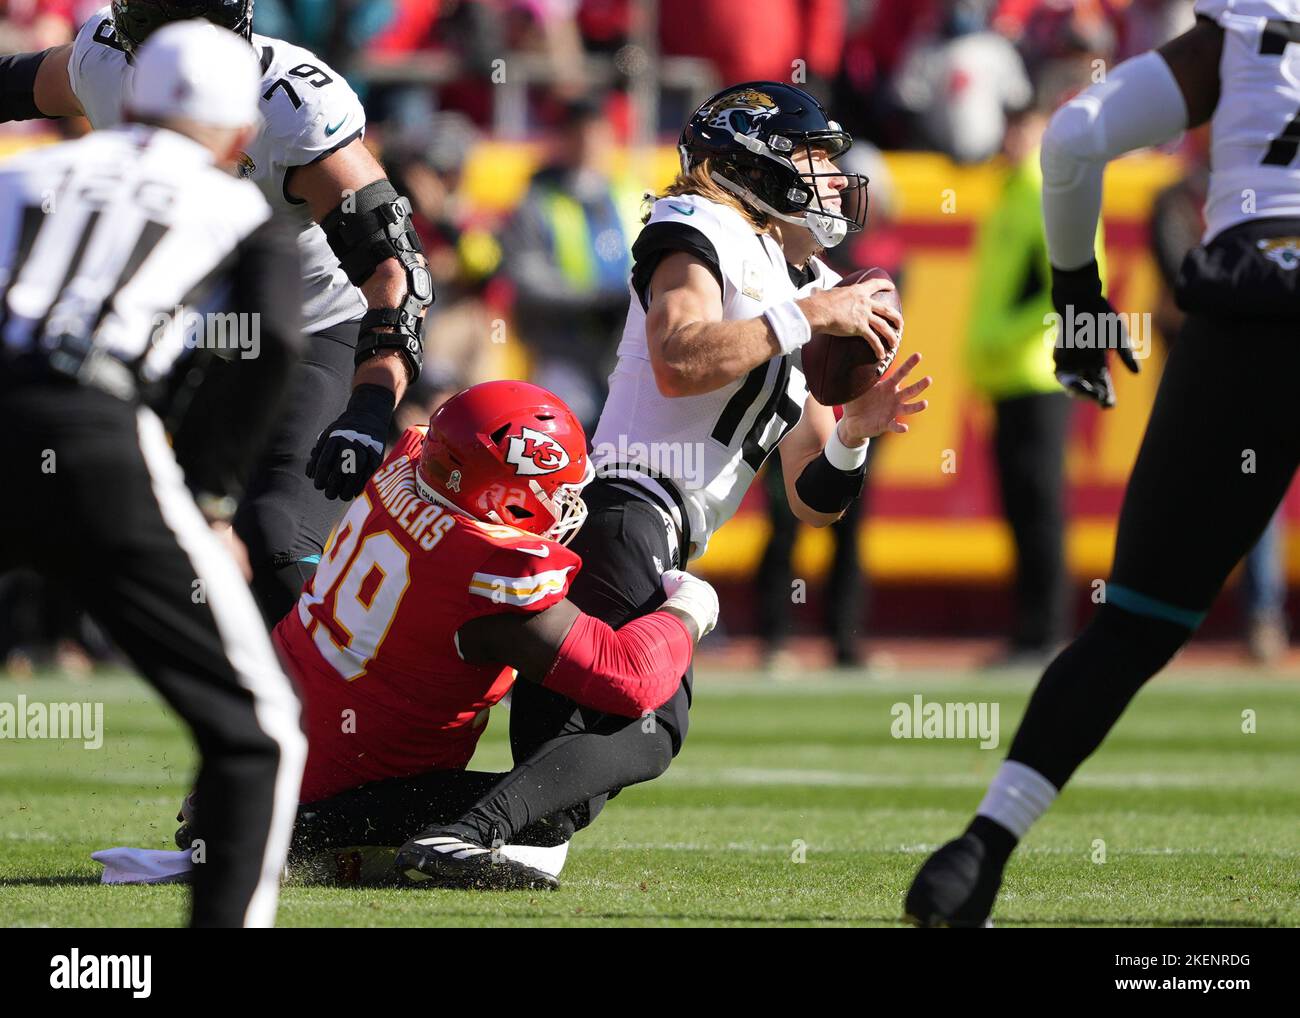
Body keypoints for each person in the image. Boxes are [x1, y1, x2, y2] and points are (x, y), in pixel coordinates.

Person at [410, 82, 932, 884]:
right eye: (812, 156)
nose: (830, 176)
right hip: (623, 515)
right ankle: (463, 830)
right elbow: (681, 357)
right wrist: (807, 319)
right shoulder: (695, 225)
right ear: (752, 161)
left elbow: (811, 498)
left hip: (651, 533)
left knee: (548, 825)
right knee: (651, 729)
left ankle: (361, 821)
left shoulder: (796, 281)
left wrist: (856, 433)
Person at [905, 2, 1300, 927]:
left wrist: (1081, 302)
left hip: (1250, 306)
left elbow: (1076, 136)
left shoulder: (1248, 30)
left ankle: (980, 853)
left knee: (1133, 628)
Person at [170, 380, 719, 890]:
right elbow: (631, 677)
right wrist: (690, 611)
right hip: (347, 781)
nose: (567, 508)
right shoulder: (486, 569)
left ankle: (244, 808)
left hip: (268, 739)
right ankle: (324, 830)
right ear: (507, 498)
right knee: (612, 764)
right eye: (558, 494)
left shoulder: (409, 465)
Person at [0, 20, 305, 928]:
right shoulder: (241, 209)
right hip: (97, 437)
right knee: (257, 733)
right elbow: (277, 342)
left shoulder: (20, 174)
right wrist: (213, 497)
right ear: (241, 136)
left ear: (127, 100)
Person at [0, 0, 435, 624]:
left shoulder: (290, 106)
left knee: (275, 537)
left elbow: (395, 269)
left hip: (308, 327)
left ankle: (349, 699)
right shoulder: (99, 59)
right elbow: (12, 84)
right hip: (175, 331)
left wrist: (368, 406)